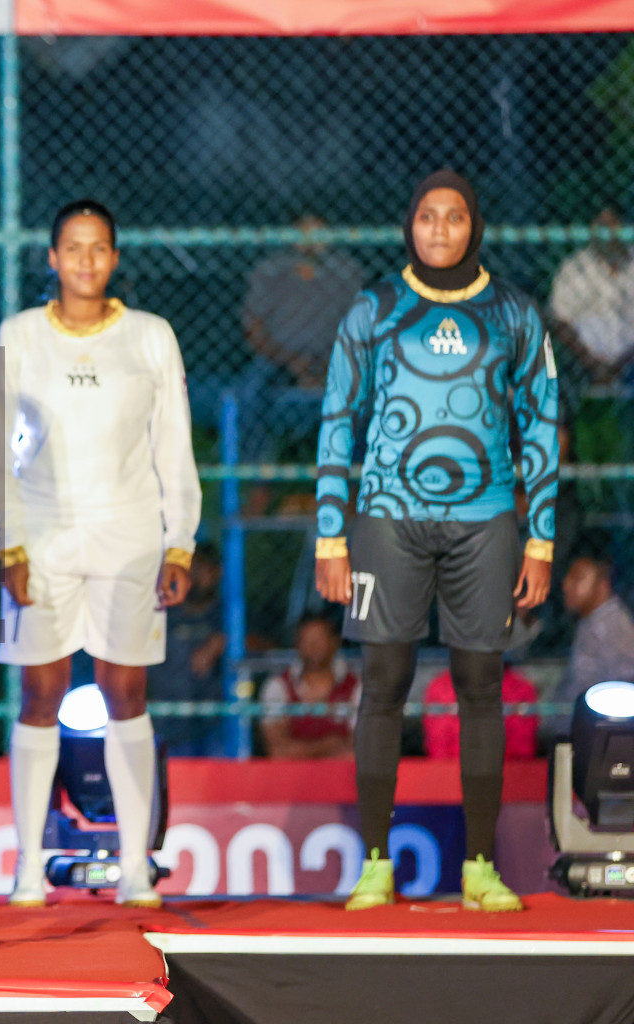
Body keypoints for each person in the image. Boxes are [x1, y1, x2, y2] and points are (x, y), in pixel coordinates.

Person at [314, 170, 558, 913]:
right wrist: (331, 532)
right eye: (428, 216)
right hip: (387, 517)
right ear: (409, 225)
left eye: (455, 217)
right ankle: (376, 864)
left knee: (481, 685)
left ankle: (481, 867)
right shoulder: (375, 308)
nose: (442, 229)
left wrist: (540, 539)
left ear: (474, 226)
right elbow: (337, 416)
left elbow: (542, 422)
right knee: (382, 684)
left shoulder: (513, 312)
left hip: (486, 520)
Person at [0, 199, 201, 909]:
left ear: (114, 258)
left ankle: (136, 867)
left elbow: (174, 447)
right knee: (40, 695)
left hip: (131, 535)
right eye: (71, 248)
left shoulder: (150, 337)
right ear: (51, 257)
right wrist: (6, 542)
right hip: (40, 536)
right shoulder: (19, 336)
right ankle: (28, 868)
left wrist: (180, 541)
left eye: (98, 248)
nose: (84, 261)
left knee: (125, 694)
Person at [239, 214, 366, 464]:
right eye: (303, 231)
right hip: (279, 359)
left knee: (366, 392)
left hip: (333, 358)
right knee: (249, 395)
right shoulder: (270, 271)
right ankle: (257, 478)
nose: (309, 240)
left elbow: (357, 329)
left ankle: (355, 478)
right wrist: (292, 361)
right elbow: (254, 329)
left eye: (317, 231)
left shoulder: (347, 272)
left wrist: (328, 362)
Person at [147, 542, 227, 756]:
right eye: (193, 568)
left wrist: (222, 641)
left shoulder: (228, 615)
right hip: (167, 721)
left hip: (215, 723)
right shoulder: (164, 612)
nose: (198, 575)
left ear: (218, 572)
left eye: (205, 569)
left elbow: (263, 644)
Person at [550, 206, 634, 384]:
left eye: (614, 227)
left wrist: (624, 364)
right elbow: (560, 321)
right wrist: (593, 365)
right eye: (602, 228)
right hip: (584, 363)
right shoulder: (575, 268)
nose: (609, 235)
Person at [553, 555, 634, 736]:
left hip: (601, 737)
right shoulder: (591, 621)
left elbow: (625, 690)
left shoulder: (614, 626)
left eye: (578, 578)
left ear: (602, 585)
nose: (566, 585)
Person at [259, 615, 360, 759]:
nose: (313, 646)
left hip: (340, 774)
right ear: (296, 644)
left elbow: (357, 747)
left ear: (335, 642)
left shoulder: (356, 687)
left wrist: (300, 751)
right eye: (306, 640)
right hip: (293, 775)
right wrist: (327, 746)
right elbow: (277, 749)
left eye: (319, 639)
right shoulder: (278, 686)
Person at [423, 666, 538, 760]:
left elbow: (522, 751)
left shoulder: (520, 688)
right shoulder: (441, 687)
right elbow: (439, 749)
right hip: (451, 771)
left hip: (507, 774)